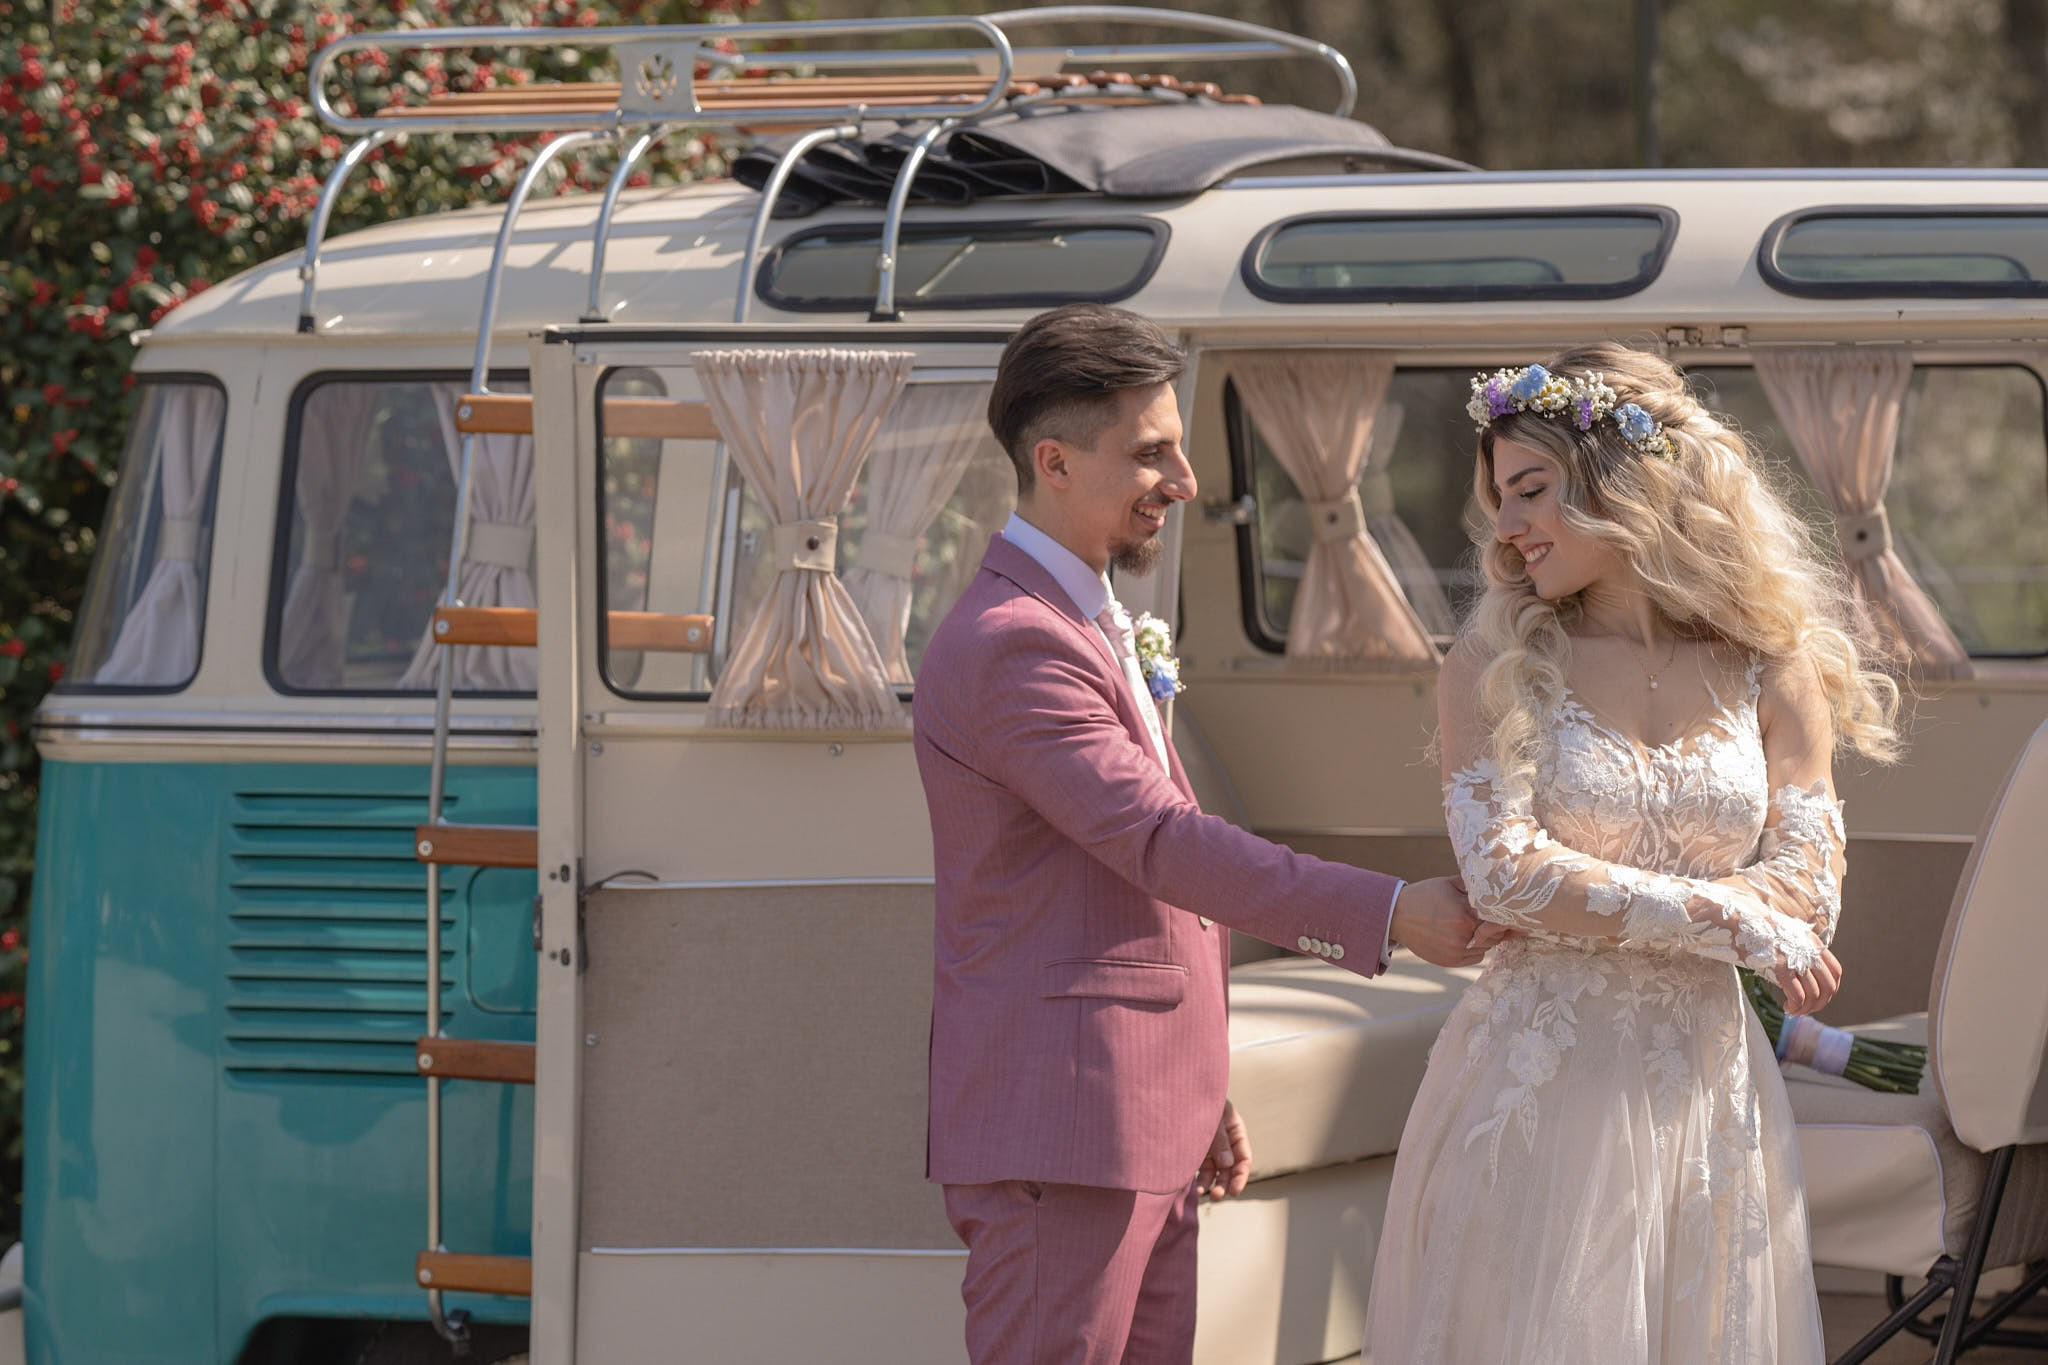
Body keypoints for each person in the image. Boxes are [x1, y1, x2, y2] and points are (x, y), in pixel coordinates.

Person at [912, 302, 1505, 1365]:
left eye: (1178, 447)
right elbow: (1157, 842)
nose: (1182, 481)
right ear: (1053, 461)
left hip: (1128, 1111)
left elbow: (1127, 901)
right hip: (1065, 1124)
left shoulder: (1082, 620)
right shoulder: (1013, 645)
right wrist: (1390, 914)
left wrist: (1189, 1081)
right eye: (1151, 453)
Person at [1365, 343, 1901, 1363]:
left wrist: (1752, 913)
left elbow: (1808, 888)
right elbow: (1505, 872)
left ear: (1623, 478)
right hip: (1539, 1082)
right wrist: (1734, 917)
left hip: (1705, 1086)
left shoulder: (1764, 658)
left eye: (1530, 489)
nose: (1506, 527)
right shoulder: (1492, 659)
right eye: (1496, 501)